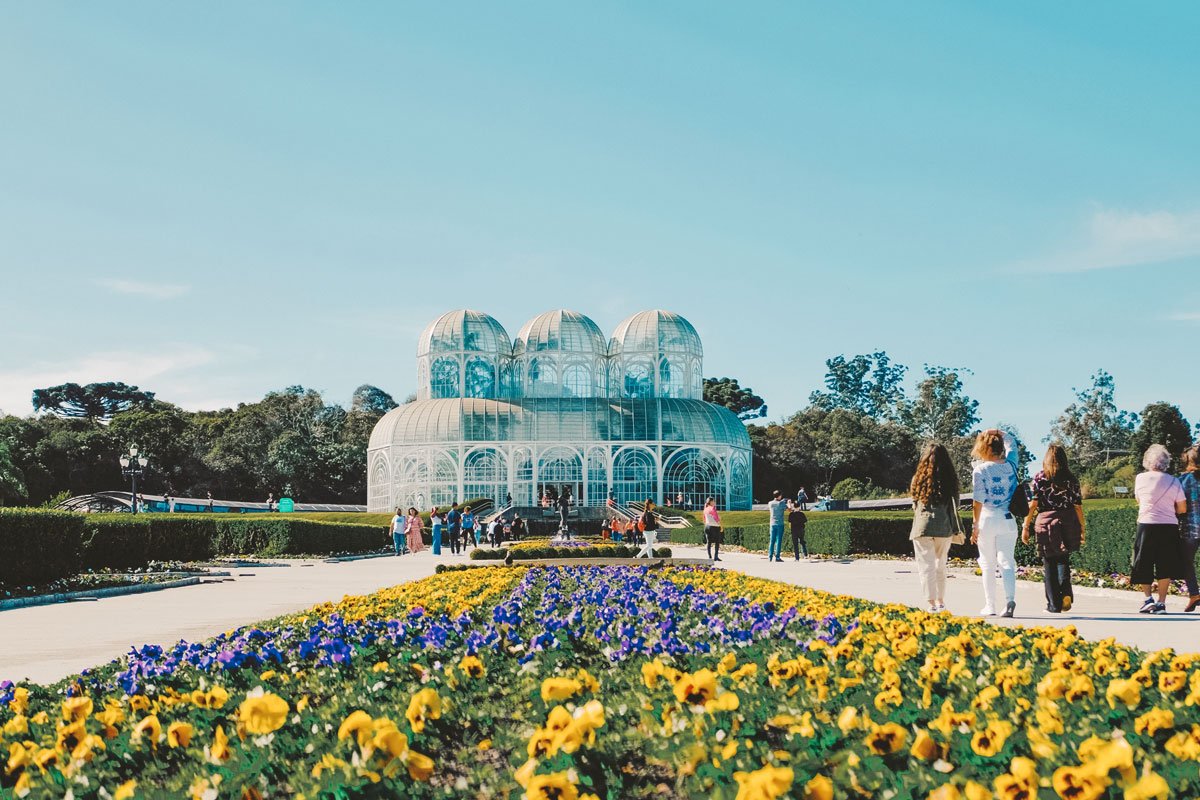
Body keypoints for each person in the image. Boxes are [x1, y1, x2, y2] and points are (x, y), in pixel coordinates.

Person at [1022, 444, 1084, 613]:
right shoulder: (1072, 479)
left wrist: (1026, 526)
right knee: (1063, 558)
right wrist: (1082, 527)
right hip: (1068, 520)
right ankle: (1066, 593)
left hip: (1046, 521)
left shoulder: (1040, 478)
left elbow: (1033, 504)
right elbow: (1077, 506)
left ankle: (1054, 604)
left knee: (1049, 562)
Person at [971, 429, 1021, 618]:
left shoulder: (980, 470)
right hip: (1008, 518)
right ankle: (1009, 600)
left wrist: (975, 525)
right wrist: (998, 431)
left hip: (987, 519)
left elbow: (978, 500)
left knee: (987, 564)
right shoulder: (1011, 465)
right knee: (1007, 561)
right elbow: (1012, 443)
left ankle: (990, 605)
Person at [1132, 444, 1187, 614]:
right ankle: (1162, 602)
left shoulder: (1140, 478)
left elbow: (1139, 500)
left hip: (1146, 524)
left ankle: (1148, 599)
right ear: (1166, 463)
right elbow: (1182, 508)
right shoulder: (1174, 481)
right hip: (1169, 526)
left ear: (1147, 461)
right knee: (1165, 564)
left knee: (1143, 562)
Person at [909, 443, 962, 613]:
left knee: (926, 567)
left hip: (922, 527)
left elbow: (914, 503)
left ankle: (931, 603)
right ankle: (941, 600)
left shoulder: (917, 478)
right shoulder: (951, 480)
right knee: (940, 565)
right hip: (944, 527)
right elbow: (957, 504)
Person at [1179, 445, 1200, 612]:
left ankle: (1194, 593)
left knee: (1186, 562)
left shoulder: (1182, 481)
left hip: (1190, 529)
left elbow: (1179, 507)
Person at [767, 490, 787, 563]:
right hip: (780, 524)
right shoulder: (781, 503)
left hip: (772, 523)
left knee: (772, 540)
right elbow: (789, 509)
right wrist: (788, 502)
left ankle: (770, 556)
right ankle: (777, 557)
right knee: (778, 541)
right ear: (779, 496)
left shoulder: (770, 503)